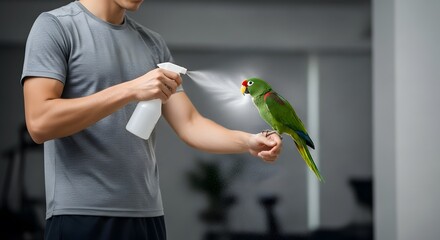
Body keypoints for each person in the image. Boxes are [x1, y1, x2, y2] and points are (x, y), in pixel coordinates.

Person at [21, 0, 283, 239]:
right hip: (81, 217)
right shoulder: (55, 27)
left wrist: (248, 141)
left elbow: (190, 124)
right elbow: (40, 123)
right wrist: (131, 89)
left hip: (148, 219)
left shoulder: (153, 44)